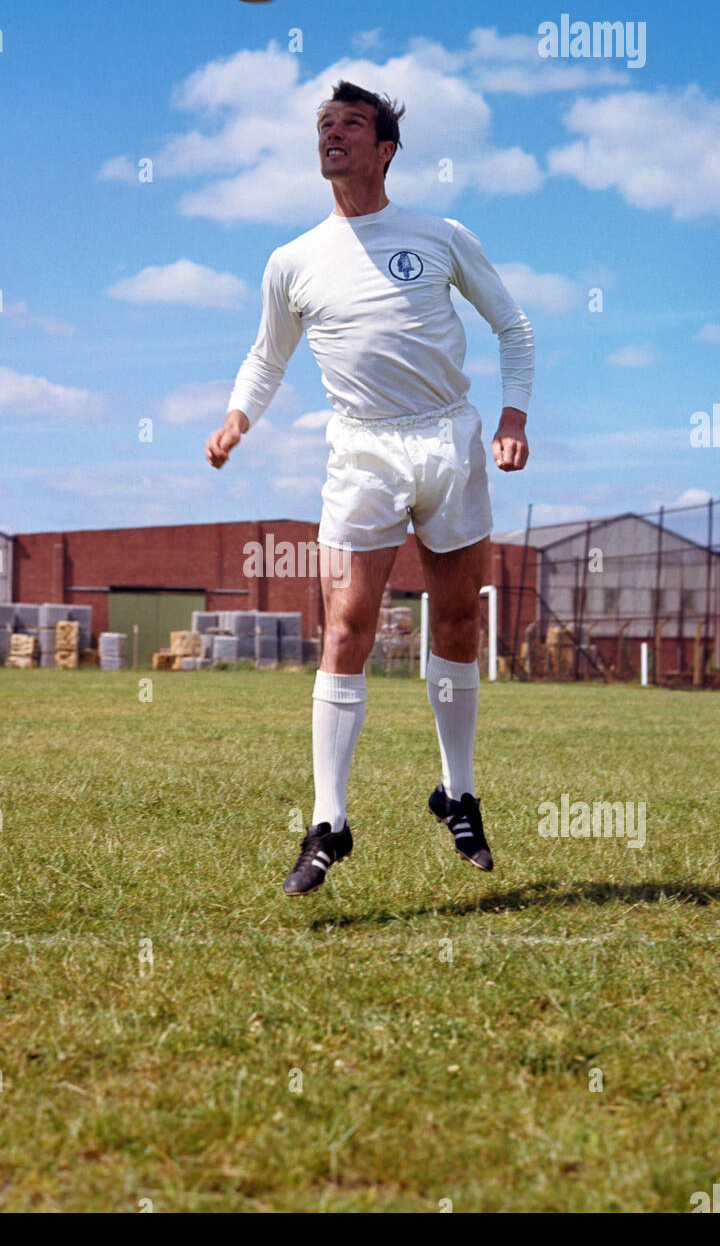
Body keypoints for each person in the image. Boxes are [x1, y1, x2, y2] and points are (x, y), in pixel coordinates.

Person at [205, 81, 533, 895]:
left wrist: (512, 416)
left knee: (455, 620)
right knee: (347, 625)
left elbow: (512, 325)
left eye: (350, 123)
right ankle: (329, 821)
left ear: (385, 147)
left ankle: (456, 792)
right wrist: (237, 418)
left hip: (448, 436)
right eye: (323, 125)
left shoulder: (440, 233)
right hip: (359, 450)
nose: (332, 134)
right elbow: (267, 355)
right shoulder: (292, 259)